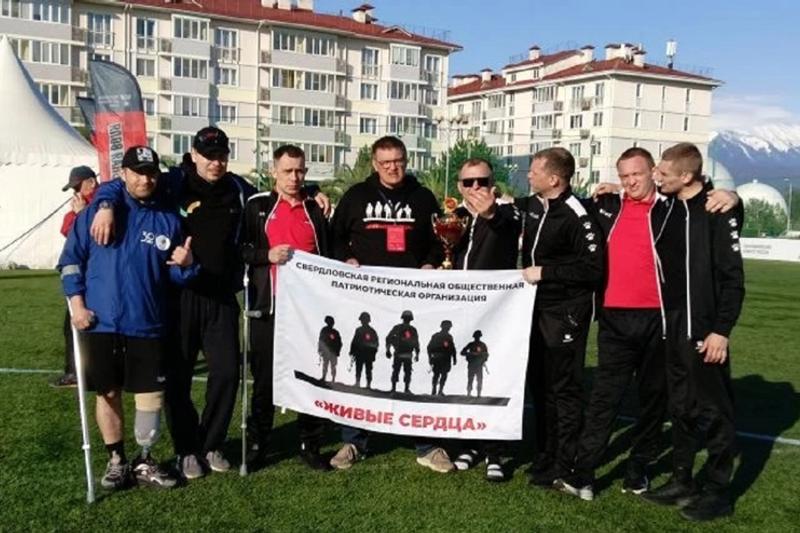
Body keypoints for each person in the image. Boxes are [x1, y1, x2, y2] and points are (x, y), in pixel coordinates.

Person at [555, 148, 742, 501]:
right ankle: (583, 474)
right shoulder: (607, 205)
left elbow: (708, 205)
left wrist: (733, 196)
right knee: (604, 398)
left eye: (636, 174)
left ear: (653, 172)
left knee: (654, 401)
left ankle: (638, 470)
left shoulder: (669, 206)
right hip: (614, 319)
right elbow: (567, 210)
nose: (630, 182)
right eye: (624, 176)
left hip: (661, 321)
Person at [58, 146, 196, 490]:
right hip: (101, 322)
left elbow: (174, 278)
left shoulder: (169, 220)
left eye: (151, 173)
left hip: (147, 322)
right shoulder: (98, 212)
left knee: (150, 397)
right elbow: (71, 261)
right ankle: (117, 461)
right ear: (124, 174)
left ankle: (144, 459)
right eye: (138, 173)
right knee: (107, 393)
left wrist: (186, 265)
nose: (145, 179)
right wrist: (77, 305)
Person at [329, 135, 453, 473]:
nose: (392, 168)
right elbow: (335, 236)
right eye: (385, 163)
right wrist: (347, 259)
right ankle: (354, 441)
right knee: (360, 367)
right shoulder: (356, 196)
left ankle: (427, 445)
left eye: (398, 161)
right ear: (374, 164)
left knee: (418, 367)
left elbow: (440, 240)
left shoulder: (422, 197)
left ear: (406, 160)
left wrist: (430, 262)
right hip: (366, 297)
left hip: (413, 297)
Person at [642, 143, 744, 522]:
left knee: (715, 411)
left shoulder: (716, 210)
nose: (657, 176)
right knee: (681, 406)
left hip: (705, 329)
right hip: (673, 328)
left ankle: (717, 492)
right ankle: (682, 480)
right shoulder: (666, 208)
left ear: (686, 176)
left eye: (664, 172)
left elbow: (733, 280)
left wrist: (721, 331)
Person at [240, 144, 332, 471]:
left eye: (300, 171)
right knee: (265, 379)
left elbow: (329, 253)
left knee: (311, 377)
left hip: (309, 310)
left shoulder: (316, 207)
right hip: (269, 307)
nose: (294, 177)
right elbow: (240, 250)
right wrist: (265, 256)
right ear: (273, 172)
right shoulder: (258, 206)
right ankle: (258, 443)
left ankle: (310, 443)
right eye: (287, 171)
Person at [518, 147, 605, 488]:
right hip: (537, 310)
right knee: (540, 384)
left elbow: (592, 269)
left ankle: (564, 462)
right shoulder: (537, 206)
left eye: (534, 171)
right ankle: (545, 454)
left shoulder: (576, 214)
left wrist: (546, 272)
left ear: (554, 179)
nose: (529, 175)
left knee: (564, 388)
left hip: (566, 313)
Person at [450, 157, 522, 482]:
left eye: (483, 181)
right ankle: (470, 443)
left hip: (496, 312)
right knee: (464, 380)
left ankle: (496, 450)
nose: (476, 187)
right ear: (459, 186)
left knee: (494, 381)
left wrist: (491, 215)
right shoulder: (454, 216)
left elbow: (508, 231)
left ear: (493, 184)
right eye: (469, 182)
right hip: (458, 309)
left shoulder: (508, 213)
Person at [53, 165, 98, 388]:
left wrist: (82, 215)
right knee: (72, 326)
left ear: (91, 183)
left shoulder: (103, 204)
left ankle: (78, 373)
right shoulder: (80, 208)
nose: (76, 193)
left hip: (94, 276)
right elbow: (66, 230)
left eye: (78, 187)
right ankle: (76, 371)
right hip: (82, 275)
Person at [386, 310, 420, 393]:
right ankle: (405, 389)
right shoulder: (413, 330)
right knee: (407, 372)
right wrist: (417, 354)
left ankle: (394, 388)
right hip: (407, 354)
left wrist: (388, 350)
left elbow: (389, 338)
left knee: (396, 370)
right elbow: (416, 343)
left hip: (399, 353)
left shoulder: (397, 328)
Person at [349, 312, 379, 388]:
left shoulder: (370, 331)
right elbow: (354, 341)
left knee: (366, 369)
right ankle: (360, 383)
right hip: (362, 353)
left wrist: (373, 353)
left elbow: (376, 344)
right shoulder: (363, 330)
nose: (362, 321)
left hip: (366, 353)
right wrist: (352, 351)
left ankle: (366, 384)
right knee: (361, 369)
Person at [427, 320, 456, 396]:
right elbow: (452, 349)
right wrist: (454, 358)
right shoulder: (447, 337)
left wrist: (430, 357)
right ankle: (438, 390)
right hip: (443, 359)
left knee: (438, 374)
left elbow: (429, 348)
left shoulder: (437, 336)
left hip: (439, 358)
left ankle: (436, 390)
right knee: (442, 374)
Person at [318, 316, 342, 382]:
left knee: (332, 366)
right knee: (326, 365)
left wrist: (337, 351)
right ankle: (325, 377)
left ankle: (332, 379)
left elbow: (339, 343)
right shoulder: (325, 330)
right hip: (328, 351)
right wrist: (320, 349)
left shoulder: (334, 332)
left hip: (332, 352)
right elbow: (321, 340)